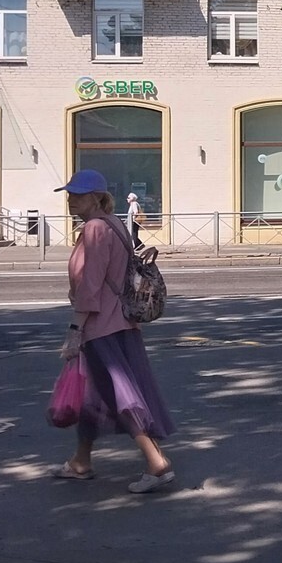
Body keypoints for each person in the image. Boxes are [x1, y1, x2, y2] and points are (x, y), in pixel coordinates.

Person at [52, 169, 176, 493]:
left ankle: (156, 462)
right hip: (122, 322)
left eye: (78, 194)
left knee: (121, 395)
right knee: (94, 396)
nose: (71, 200)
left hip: (101, 326)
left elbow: (91, 284)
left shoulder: (94, 228)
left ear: (96, 198)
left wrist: (75, 328)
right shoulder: (114, 223)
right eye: (69, 194)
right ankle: (81, 461)